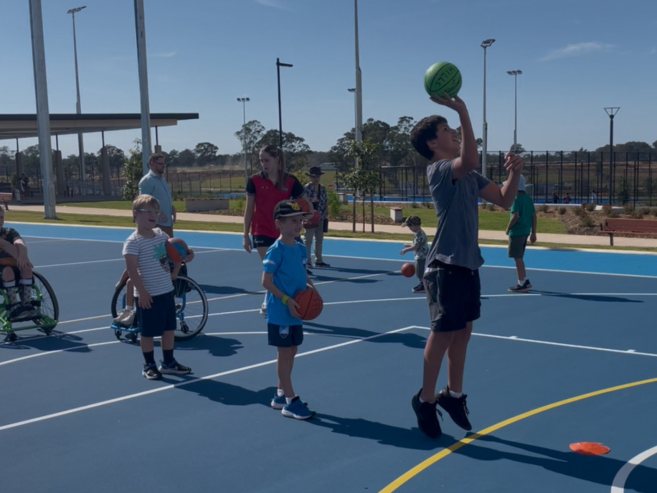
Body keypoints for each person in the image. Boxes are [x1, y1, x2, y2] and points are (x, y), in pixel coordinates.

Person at [408, 93, 524, 439]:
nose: (454, 132)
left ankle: (453, 395)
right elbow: (469, 159)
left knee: (463, 332)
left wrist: (514, 174)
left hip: (468, 265)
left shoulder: (468, 175)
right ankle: (425, 400)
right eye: (447, 129)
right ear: (433, 143)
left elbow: (504, 200)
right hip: (444, 265)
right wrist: (463, 110)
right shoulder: (441, 170)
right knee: (443, 333)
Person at [122, 194, 191, 380]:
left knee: (169, 330)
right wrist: (142, 293)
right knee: (148, 333)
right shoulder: (133, 242)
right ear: (135, 214)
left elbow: (173, 255)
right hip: (148, 295)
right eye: (148, 212)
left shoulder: (161, 235)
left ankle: (168, 362)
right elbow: (132, 271)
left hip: (166, 291)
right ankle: (149, 364)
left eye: (156, 211)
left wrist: (182, 260)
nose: (153, 215)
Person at [261, 200, 317, 420]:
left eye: (300, 220)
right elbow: (265, 281)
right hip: (281, 310)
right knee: (284, 353)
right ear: (279, 224)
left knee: (292, 350)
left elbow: (303, 275)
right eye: (293, 220)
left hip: (297, 310)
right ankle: (291, 401)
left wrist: (313, 289)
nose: (299, 224)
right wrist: (286, 299)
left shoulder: (301, 249)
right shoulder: (276, 251)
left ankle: (279, 394)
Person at [243, 145, 308, 316]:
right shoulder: (254, 181)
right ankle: (269, 304)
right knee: (274, 270)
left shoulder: (290, 181)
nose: (263, 164)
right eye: (261, 160)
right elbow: (249, 209)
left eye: (267, 160)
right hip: (261, 230)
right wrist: (245, 235)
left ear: (277, 160)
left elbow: (305, 204)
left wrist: (304, 217)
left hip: (285, 232)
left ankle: (287, 301)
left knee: (289, 269)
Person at [0, 208, 37, 319]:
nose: (0, 220)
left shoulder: (10, 232)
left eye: (1, 217)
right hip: (2, 270)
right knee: (8, 271)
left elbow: (19, 243)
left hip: (13, 264)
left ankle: (26, 303)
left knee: (27, 269)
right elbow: (5, 245)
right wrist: (20, 257)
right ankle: (13, 305)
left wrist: (23, 257)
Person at [505, 175, 537, 293]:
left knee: (517, 258)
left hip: (517, 232)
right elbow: (534, 216)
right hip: (525, 232)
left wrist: (508, 228)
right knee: (520, 257)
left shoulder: (516, 199)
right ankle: (523, 280)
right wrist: (533, 233)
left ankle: (521, 283)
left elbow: (515, 215)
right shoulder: (527, 198)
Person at [139, 153, 176, 237]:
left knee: (169, 248)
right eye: (160, 164)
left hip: (167, 223)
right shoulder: (147, 181)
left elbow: (163, 198)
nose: (163, 166)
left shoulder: (162, 179)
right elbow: (144, 203)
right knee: (158, 249)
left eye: (164, 164)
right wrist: (159, 213)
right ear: (152, 164)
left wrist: (172, 208)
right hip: (156, 224)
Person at [303, 166, 330, 268]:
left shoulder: (322, 188)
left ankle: (319, 260)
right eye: (314, 176)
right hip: (310, 217)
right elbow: (303, 202)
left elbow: (325, 200)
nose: (316, 178)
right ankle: (308, 261)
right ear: (310, 177)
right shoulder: (306, 188)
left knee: (319, 240)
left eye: (317, 176)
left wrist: (327, 210)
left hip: (321, 216)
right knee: (308, 240)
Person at [400, 215, 428, 293]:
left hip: (421, 256)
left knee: (420, 272)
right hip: (423, 255)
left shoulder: (418, 234)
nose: (410, 229)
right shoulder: (421, 232)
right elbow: (419, 244)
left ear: (413, 225)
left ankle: (423, 285)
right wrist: (409, 245)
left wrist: (406, 250)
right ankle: (423, 284)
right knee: (421, 271)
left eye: (409, 227)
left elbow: (416, 246)